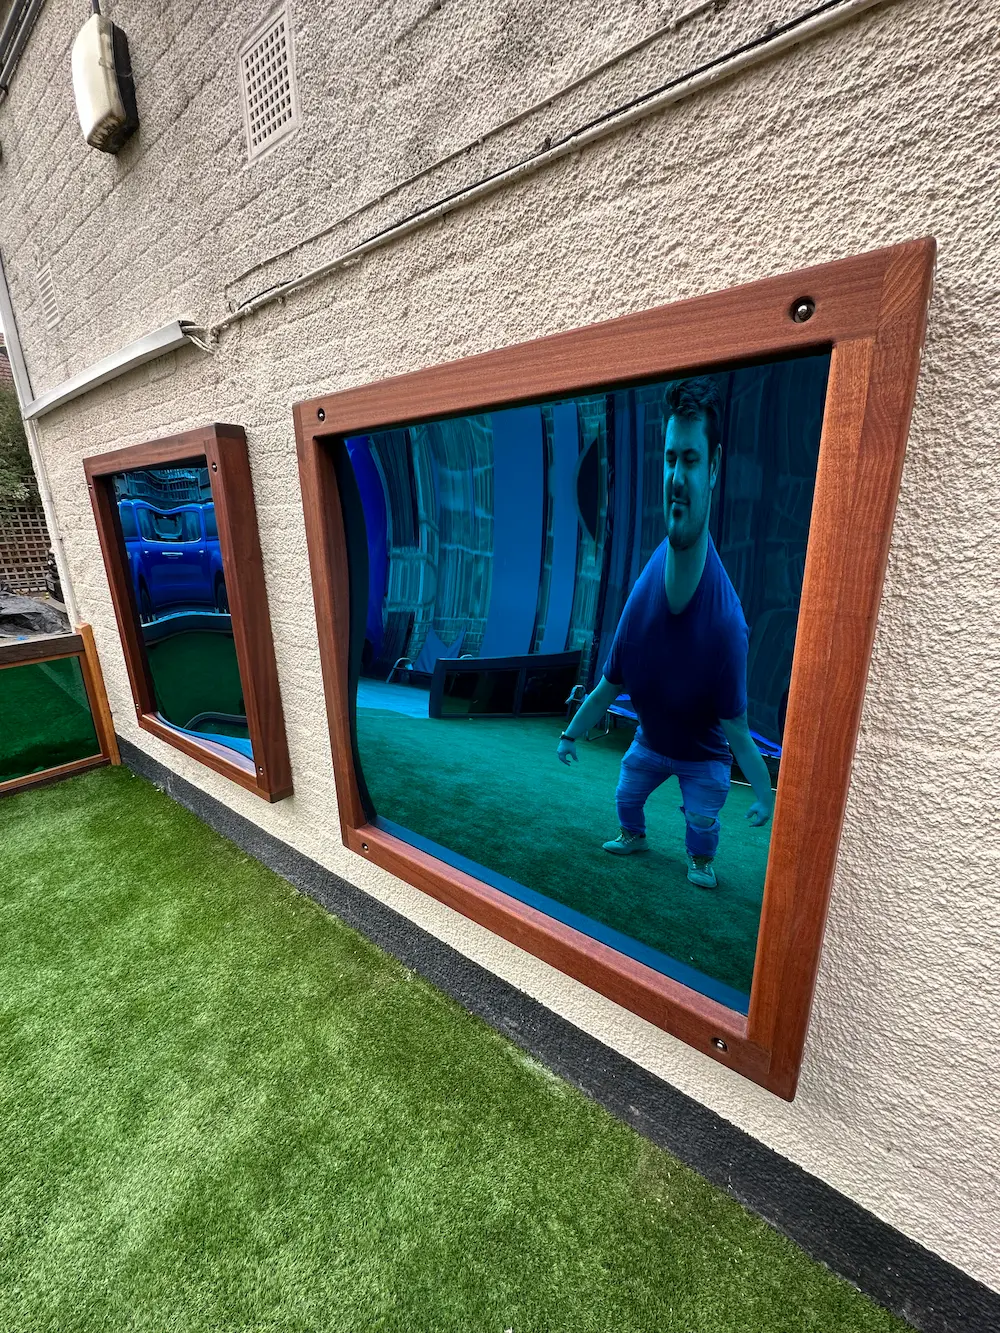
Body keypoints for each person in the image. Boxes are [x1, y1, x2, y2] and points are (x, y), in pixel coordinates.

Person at [555, 376, 774, 889]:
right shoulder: (641, 600)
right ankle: (634, 835)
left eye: (692, 460)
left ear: (714, 468)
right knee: (626, 794)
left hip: (704, 757)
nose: (677, 476)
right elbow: (607, 688)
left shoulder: (726, 628)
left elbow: (739, 732)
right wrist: (570, 733)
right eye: (670, 458)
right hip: (651, 743)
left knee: (701, 822)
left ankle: (701, 858)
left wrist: (763, 794)